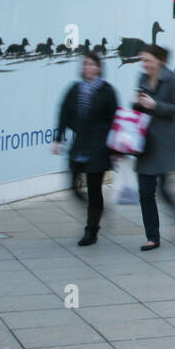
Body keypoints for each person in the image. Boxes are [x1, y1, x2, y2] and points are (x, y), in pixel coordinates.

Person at [53, 51, 118, 247]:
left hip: (99, 146)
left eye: (92, 65)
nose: (88, 68)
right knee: (73, 185)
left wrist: (116, 147)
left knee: (94, 188)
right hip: (80, 144)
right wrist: (58, 139)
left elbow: (115, 119)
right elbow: (64, 114)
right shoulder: (75, 89)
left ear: (99, 68)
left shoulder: (107, 91)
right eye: (85, 64)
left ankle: (91, 230)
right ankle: (97, 209)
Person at [133, 44, 175, 251]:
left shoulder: (171, 79)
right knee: (145, 191)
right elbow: (138, 108)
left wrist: (155, 105)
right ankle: (152, 237)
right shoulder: (142, 78)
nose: (145, 64)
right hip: (144, 143)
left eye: (148, 60)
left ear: (159, 60)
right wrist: (137, 104)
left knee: (164, 190)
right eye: (143, 61)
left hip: (164, 142)